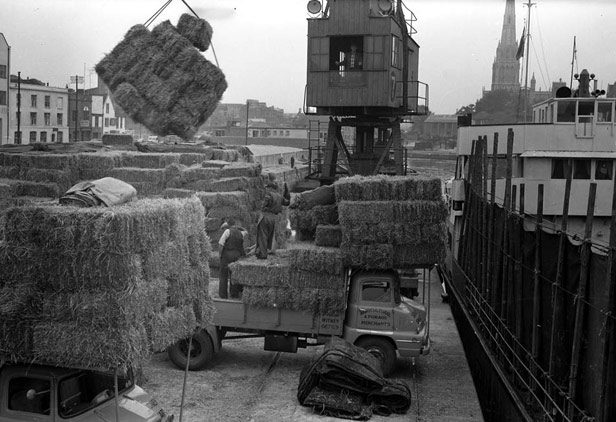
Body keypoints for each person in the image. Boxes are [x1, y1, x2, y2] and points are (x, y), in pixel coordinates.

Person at [256, 181, 290, 259]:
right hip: (273, 218)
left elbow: (263, 205)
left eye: (267, 187)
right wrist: (287, 192)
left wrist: (262, 208)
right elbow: (287, 203)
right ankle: (264, 251)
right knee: (269, 236)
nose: (266, 189)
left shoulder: (268, 195)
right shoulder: (280, 197)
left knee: (262, 235)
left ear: (271, 188)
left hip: (265, 216)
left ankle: (263, 254)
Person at [218, 218, 247, 299]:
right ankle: (234, 294)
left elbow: (221, 244)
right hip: (237, 256)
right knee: (234, 276)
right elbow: (246, 231)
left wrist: (220, 254)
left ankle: (223, 295)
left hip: (227, 255)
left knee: (223, 275)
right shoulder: (241, 233)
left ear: (228, 225)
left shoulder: (227, 231)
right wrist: (239, 227)